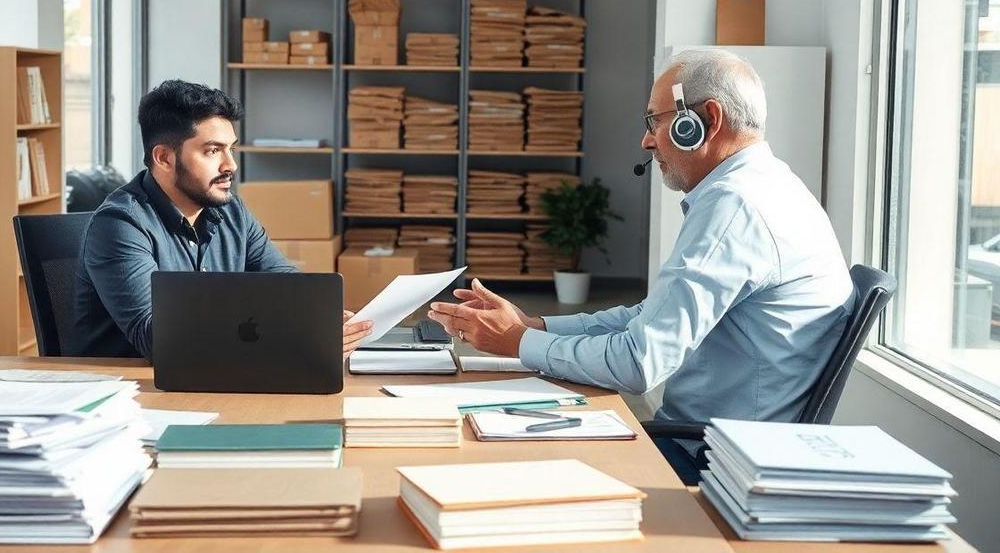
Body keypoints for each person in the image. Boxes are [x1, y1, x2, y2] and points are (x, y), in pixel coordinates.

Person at [428, 48, 853, 483]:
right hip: (711, 444)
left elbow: (638, 363)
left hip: (708, 461)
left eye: (656, 120)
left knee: (491, 464)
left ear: (704, 119)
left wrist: (517, 342)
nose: (647, 141)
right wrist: (535, 328)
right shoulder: (770, 185)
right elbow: (648, 317)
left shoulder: (735, 206)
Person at [71, 79, 372, 359]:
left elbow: (287, 287)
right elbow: (157, 338)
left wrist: (318, 319)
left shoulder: (231, 212)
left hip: (219, 374)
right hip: (134, 393)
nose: (231, 165)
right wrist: (291, 332)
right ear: (164, 158)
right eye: (213, 150)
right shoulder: (120, 224)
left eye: (231, 149)